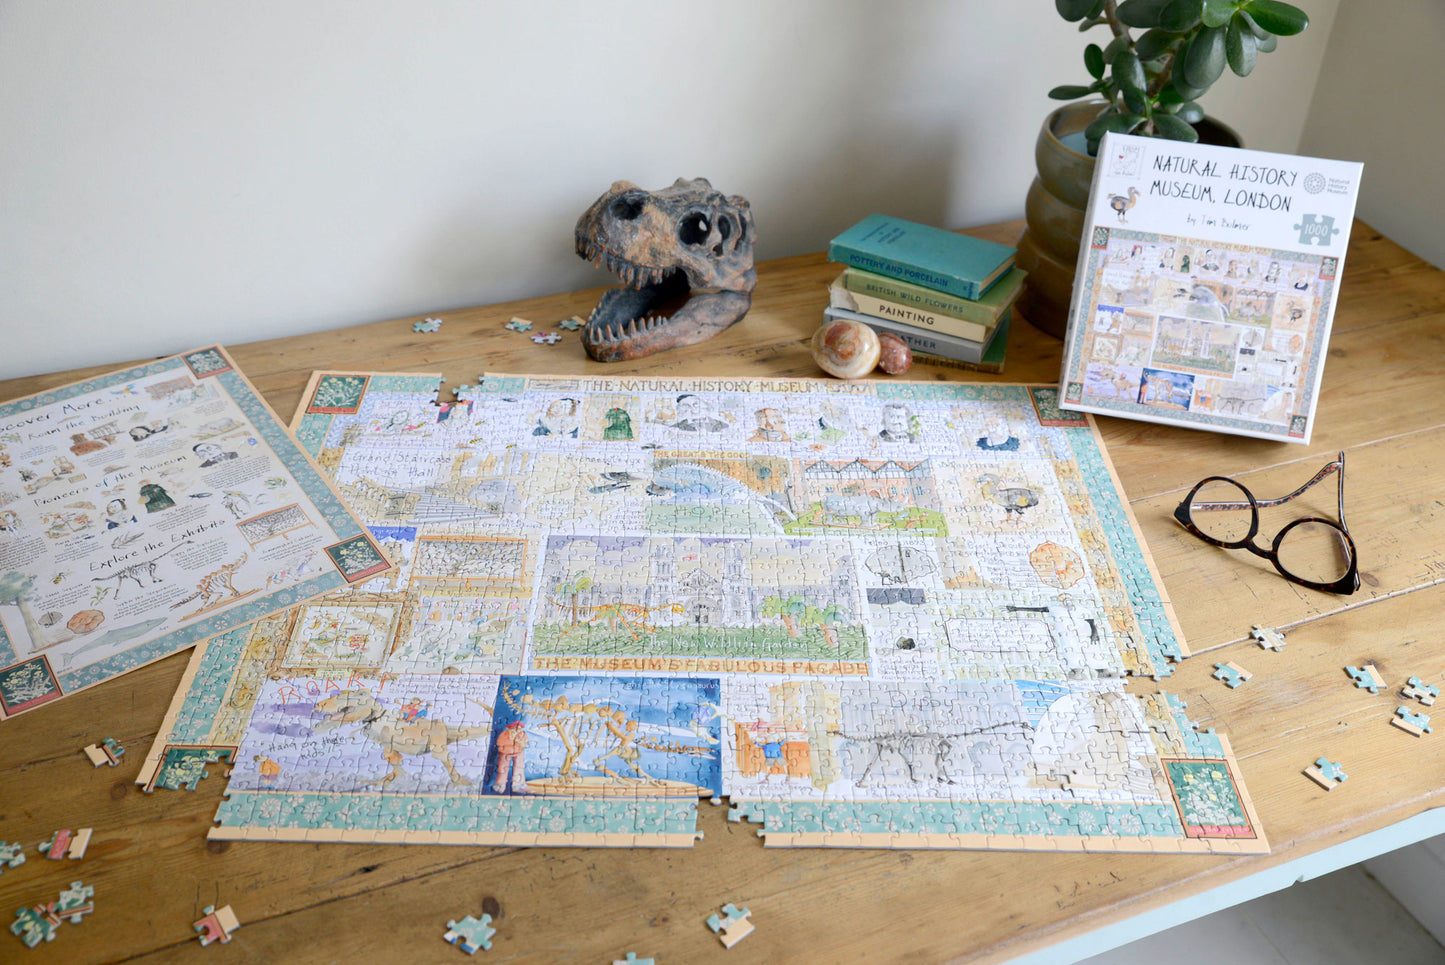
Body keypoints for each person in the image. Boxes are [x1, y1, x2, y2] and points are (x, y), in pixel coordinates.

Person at [492, 721, 528, 794]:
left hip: (518, 752)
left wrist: (521, 743)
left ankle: (519, 785)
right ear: (511, 728)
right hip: (505, 752)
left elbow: (526, 743)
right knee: (502, 768)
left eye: (519, 729)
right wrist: (512, 742)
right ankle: (500, 785)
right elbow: (499, 743)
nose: (517, 730)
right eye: (515, 729)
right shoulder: (504, 734)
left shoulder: (522, 734)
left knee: (519, 767)